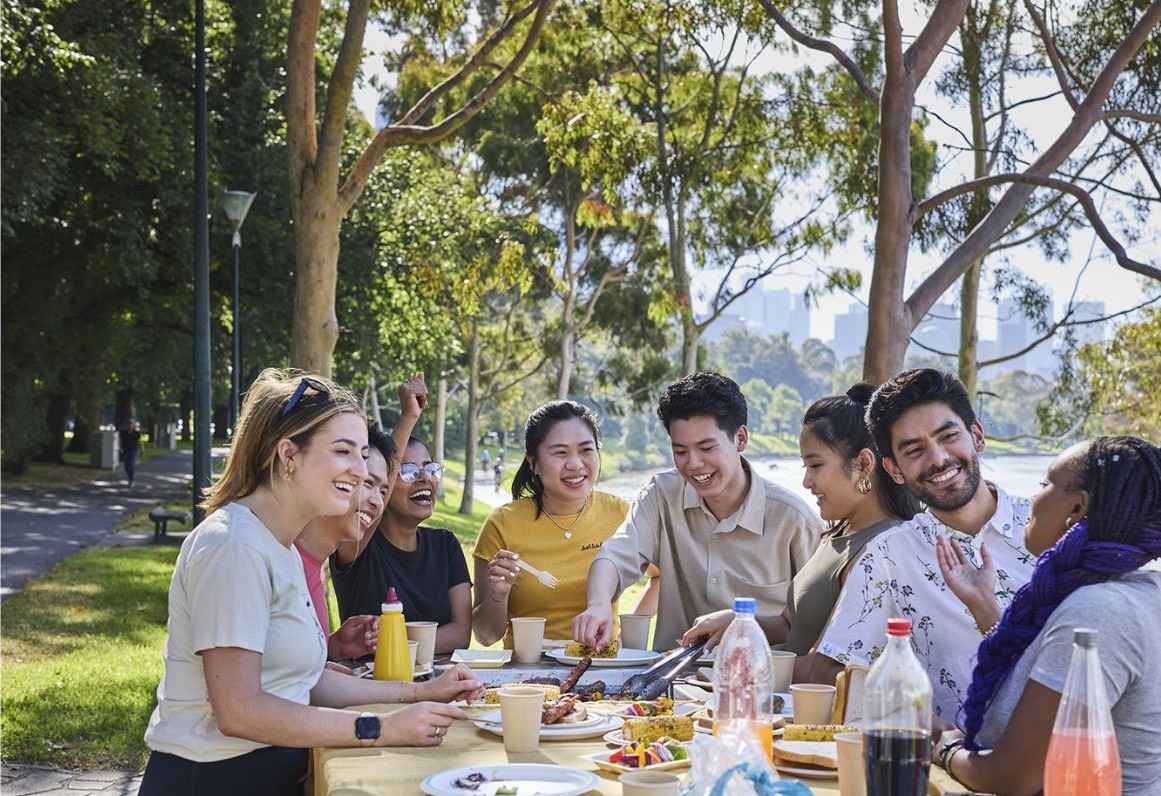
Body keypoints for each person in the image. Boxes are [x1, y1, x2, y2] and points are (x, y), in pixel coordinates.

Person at [139, 370, 482, 796]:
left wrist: (416, 694)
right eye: (344, 452)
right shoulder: (234, 546)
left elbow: (305, 681)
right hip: (211, 779)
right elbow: (239, 711)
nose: (360, 472)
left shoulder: (279, 547)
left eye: (362, 454)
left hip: (266, 775)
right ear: (289, 455)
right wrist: (381, 727)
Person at [932, 436, 1161, 795]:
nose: (1033, 499)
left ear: (1077, 508)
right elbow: (1044, 671)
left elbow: (1015, 777)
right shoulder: (1136, 593)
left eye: (1045, 484)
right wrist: (981, 602)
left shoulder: (1098, 611)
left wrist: (945, 747)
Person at [814, 368, 1035, 720]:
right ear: (894, 469)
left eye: (948, 437)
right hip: (944, 763)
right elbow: (834, 670)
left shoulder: (1050, 529)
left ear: (977, 435)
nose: (937, 459)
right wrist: (916, 723)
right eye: (914, 450)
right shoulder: (888, 556)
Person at [681, 383, 921, 681]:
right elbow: (792, 626)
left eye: (815, 465)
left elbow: (825, 669)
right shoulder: (839, 533)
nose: (806, 482)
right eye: (804, 466)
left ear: (863, 464)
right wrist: (736, 623)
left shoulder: (882, 548)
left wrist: (732, 671)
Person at [572, 373, 823, 653]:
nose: (693, 464)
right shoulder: (662, 495)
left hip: (759, 687)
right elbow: (615, 555)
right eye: (680, 451)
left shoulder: (794, 522)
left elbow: (816, 626)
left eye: (706, 448)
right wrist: (598, 605)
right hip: (667, 686)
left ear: (740, 439)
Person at [473, 400, 630, 647]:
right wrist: (498, 595)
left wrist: (626, 636)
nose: (576, 465)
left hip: (602, 668)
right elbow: (485, 636)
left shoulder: (619, 512)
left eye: (586, 450)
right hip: (528, 674)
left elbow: (658, 576)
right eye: (560, 453)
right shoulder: (502, 524)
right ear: (532, 462)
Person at [331, 434, 472, 654]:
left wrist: (394, 635)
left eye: (430, 468)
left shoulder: (445, 545)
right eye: (407, 471)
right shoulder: (357, 544)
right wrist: (409, 415)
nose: (424, 478)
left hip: (438, 681)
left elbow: (460, 634)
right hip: (368, 683)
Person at [293, 424, 395, 667]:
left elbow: (287, 669)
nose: (378, 502)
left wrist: (334, 647)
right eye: (368, 483)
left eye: (383, 491)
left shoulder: (313, 564)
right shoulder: (264, 553)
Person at [119, 419, 144, 487]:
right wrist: (120, 448)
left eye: (131, 424)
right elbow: (121, 441)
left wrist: (142, 450)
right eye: (129, 424)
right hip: (126, 450)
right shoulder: (123, 433)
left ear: (133, 425)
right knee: (126, 467)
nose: (130, 425)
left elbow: (140, 442)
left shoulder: (136, 433)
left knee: (131, 465)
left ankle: (131, 480)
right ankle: (130, 476)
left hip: (133, 451)